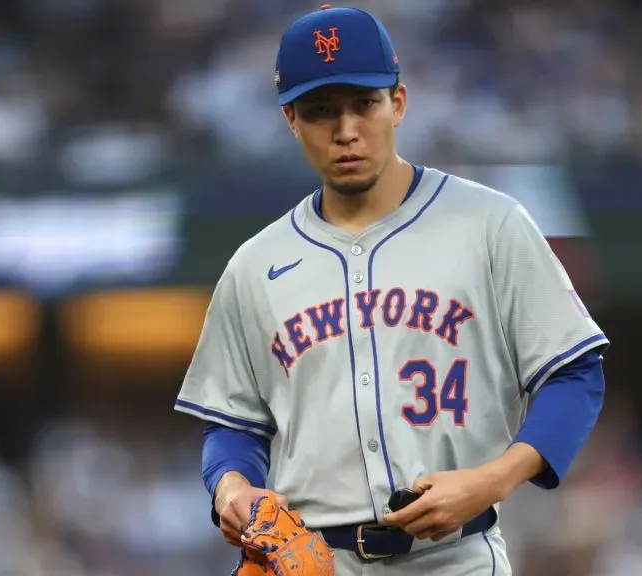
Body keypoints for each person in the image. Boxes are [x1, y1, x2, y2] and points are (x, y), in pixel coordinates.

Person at [174, 4, 610, 574]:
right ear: (291, 120)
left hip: (456, 556)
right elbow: (233, 425)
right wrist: (232, 490)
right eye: (321, 110)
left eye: (365, 103)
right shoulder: (256, 265)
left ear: (398, 103)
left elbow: (574, 375)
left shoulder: (490, 224)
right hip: (316, 562)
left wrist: (492, 480)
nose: (347, 130)